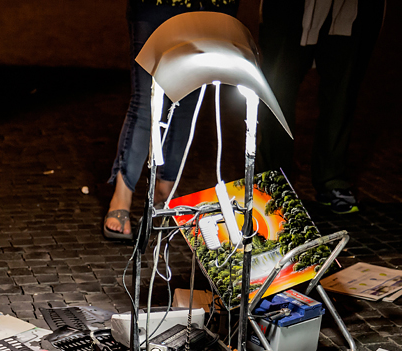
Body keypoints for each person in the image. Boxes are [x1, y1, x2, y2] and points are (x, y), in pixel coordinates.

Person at [104, 0, 238, 241]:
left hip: (209, 6)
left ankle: (165, 189)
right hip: (157, 4)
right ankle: (121, 196)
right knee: (146, 100)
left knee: (187, 99)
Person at [257, 0, 385, 214]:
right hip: (290, 9)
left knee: (342, 94)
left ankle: (332, 179)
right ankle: (272, 179)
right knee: (276, 89)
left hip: (351, 7)